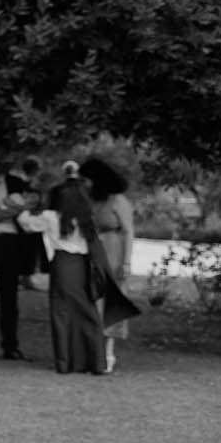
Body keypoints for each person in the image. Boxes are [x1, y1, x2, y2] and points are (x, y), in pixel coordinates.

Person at [17, 163, 108, 375]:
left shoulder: (52, 217)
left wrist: (29, 206)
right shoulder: (86, 220)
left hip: (62, 264)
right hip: (83, 265)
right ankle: (94, 361)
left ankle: (66, 361)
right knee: (87, 311)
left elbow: (25, 222)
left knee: (62, 312)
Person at [0, 149, 39, 360]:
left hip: (11, 244)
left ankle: (10, 345)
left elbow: (31, 204)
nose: (0, 162)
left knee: (9, 298)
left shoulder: (17, 183)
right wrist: (7, 208)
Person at [79, 157, 137, 372]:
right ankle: (92, 351)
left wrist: (127, 261)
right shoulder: (92, 200)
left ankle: (108, 352)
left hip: (113, 252)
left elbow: (128, 231)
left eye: (86, 180)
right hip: (94, 252)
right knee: (92, 300)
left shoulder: (119, 201)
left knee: (111, 302)